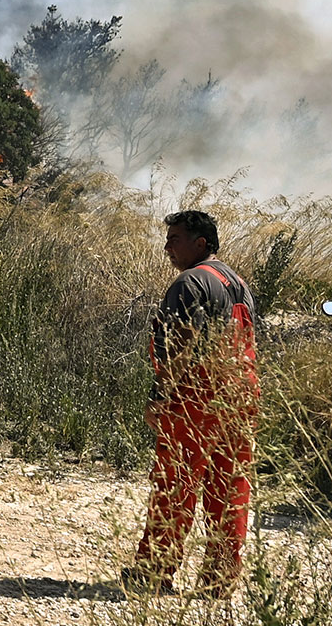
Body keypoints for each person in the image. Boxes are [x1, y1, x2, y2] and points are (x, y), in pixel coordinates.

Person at [127, 210, 259, 599]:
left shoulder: (189, 282)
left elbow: (180, 344)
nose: (167, 246)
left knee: (176, 485)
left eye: (175, 238)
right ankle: (219, 581)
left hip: (195, 397)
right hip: (240, 397)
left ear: (201, 243)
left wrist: (160, 395)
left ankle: (154, 573)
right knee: (229, 489)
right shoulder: (239, 283)